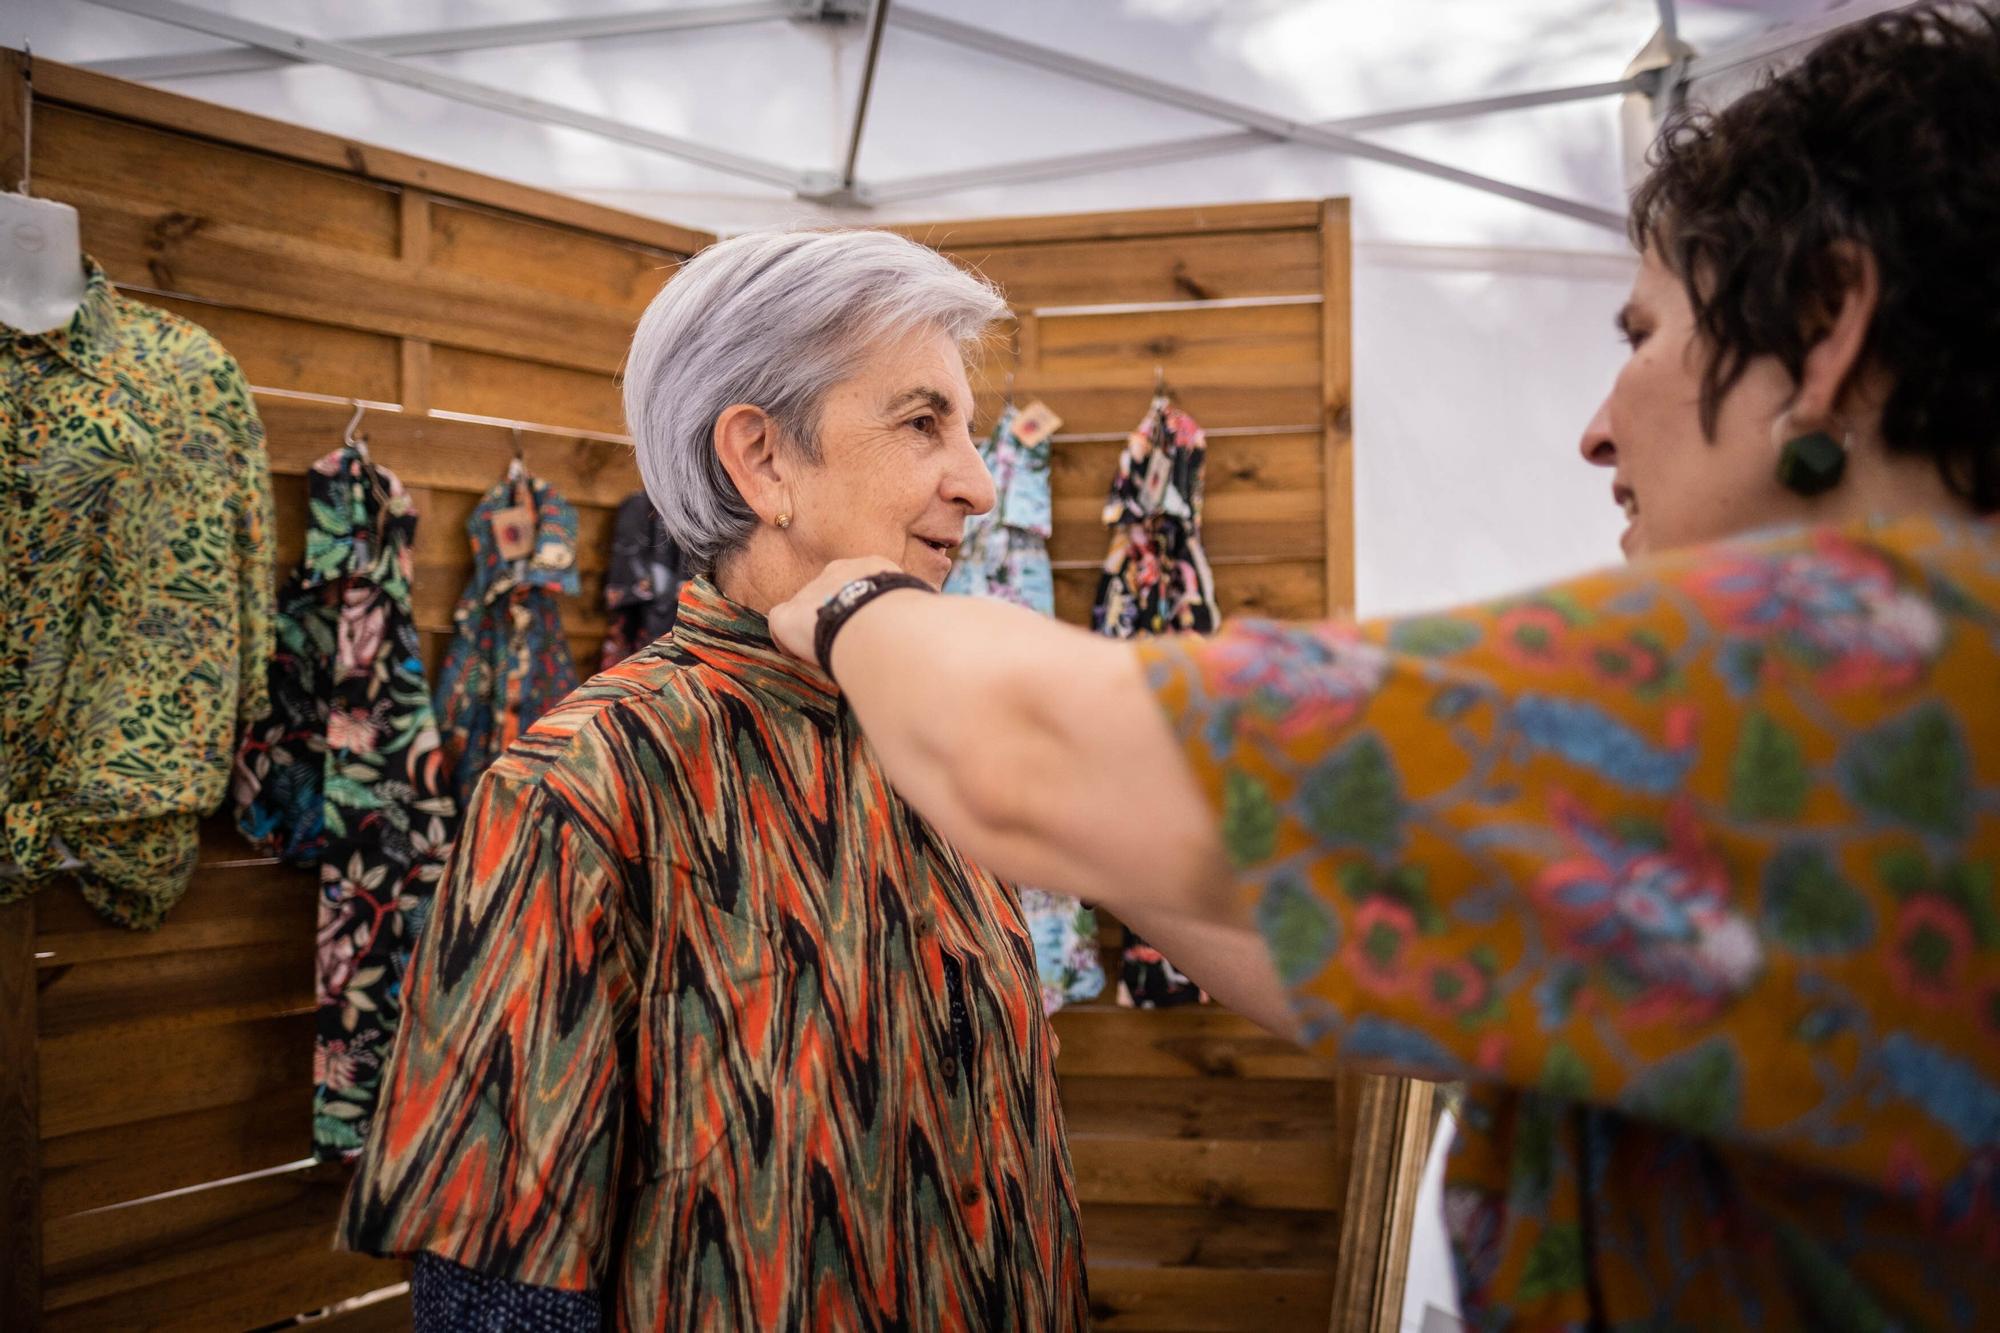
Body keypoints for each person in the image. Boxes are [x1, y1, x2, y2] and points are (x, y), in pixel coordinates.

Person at [766, 7, 2000, 1328]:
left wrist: (846, 601)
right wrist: (1068, 839)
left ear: (1822, 324)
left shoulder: (1812, 700)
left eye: (1641, 335)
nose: (1596, 429)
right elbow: (1331, 963)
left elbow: (1027, 751)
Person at [339, 229, 1088, 1330]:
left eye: (966, 429)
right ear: (761, 460)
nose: (976, 483)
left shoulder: (933, 737)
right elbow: (496, 1294)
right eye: (922, 420)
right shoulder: (583, 787)